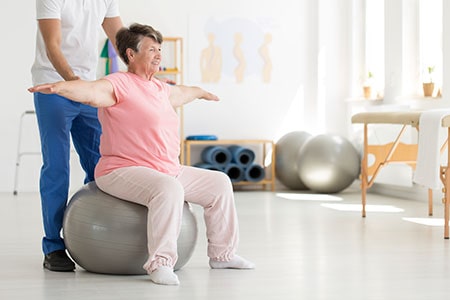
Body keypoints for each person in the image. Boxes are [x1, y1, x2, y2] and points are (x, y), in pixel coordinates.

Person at [29, 23, 255, 285]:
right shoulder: (118, 83)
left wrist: (201, 92)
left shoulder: (160, 89)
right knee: (169, 189)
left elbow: (183, 92)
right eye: (151, 49)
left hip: (165, 168)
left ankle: (223, 254)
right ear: (131, 54)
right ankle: (160, 263)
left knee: (219, 184)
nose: (159, 54)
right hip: (122, 170)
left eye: (160, 49)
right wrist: (60, 88)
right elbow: (90, 92)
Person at [30, 0, 123, 272]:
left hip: (87, 89)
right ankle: (54, 246)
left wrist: (140, 69)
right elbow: (53, 45)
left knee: (101, 165)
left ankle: (98, 233)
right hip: (53, 87)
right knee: (57, 166)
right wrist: (73, 83)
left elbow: (119, 38)